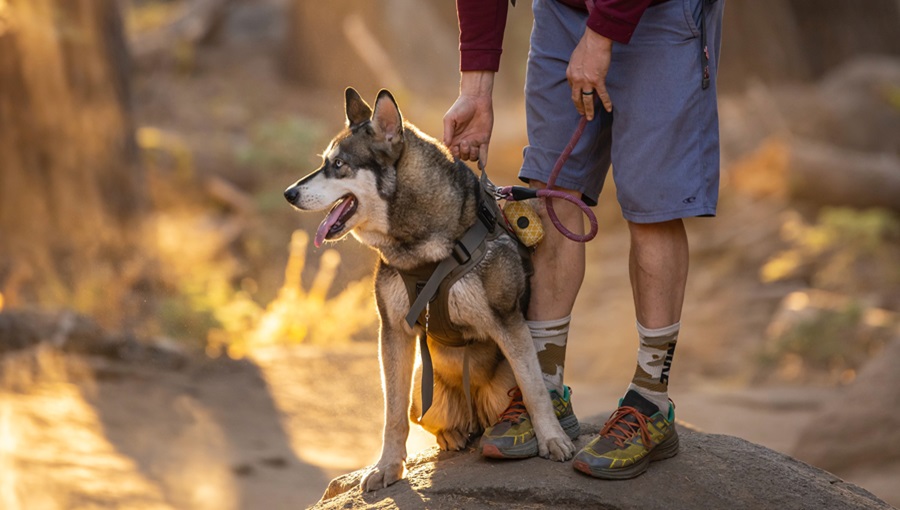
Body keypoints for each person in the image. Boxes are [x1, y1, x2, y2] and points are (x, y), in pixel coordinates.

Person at [442, 0, 724, 479]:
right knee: (552, 198)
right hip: (563, 10)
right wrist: (477, 86)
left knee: (652, 208)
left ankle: (651, 402)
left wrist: (601, 36)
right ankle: (543, 390)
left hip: (661, 13)